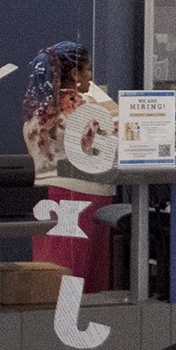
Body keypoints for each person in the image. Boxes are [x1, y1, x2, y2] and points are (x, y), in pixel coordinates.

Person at [21, 42, 120, 293]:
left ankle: (48, 330)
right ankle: (70, 327)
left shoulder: (37, 111)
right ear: (75, 75)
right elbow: (121, 137)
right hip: (82, 199)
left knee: (50, 275)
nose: (91, 76)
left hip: (45, 197)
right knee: (79, 281)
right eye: (87, 70)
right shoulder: (85, 110)